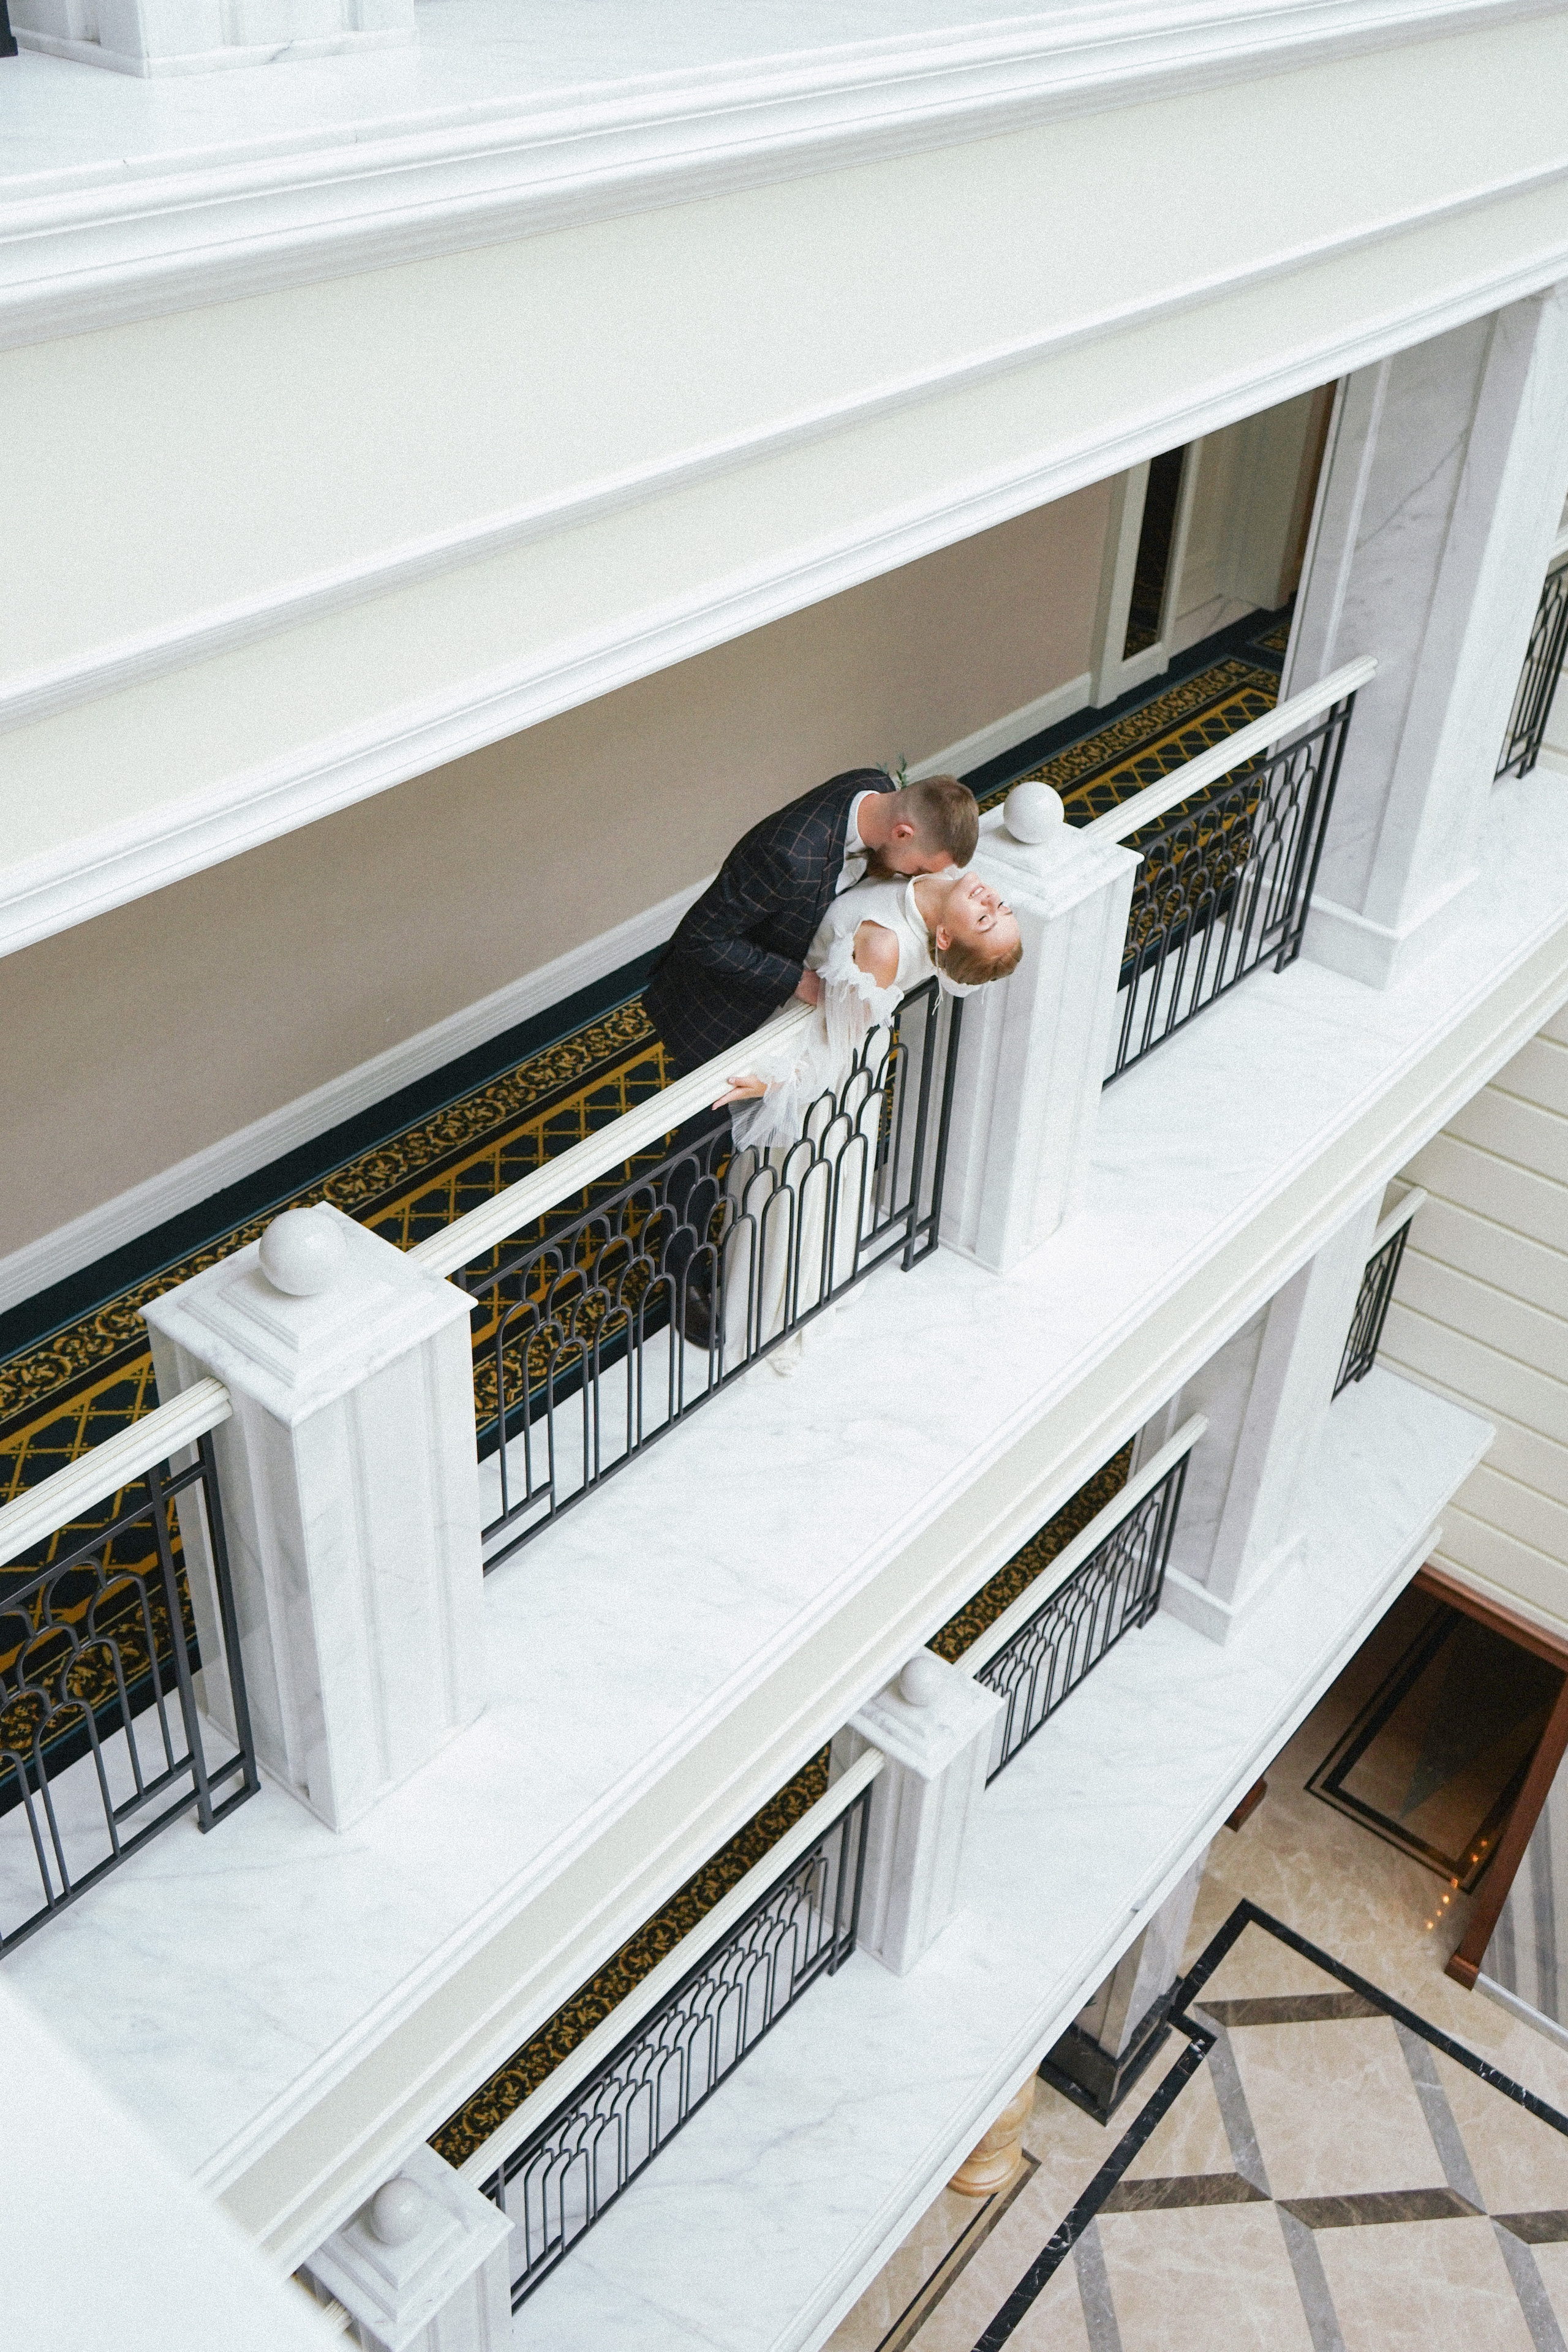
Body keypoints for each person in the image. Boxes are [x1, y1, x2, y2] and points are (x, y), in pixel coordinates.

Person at [708, 868, 1023, 1365]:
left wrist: (779, 1080)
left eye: (986, 919)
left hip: (830, 1063)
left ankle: (776, 1298)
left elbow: (835, 1041)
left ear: (944, 939)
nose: (991, 901)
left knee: (797, 1183)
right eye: (1000, 909)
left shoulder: (884, 944)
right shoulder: (942, 872)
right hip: (855, 1035)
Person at [641, 770, 979, 1079]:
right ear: (902, 833)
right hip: (716, 1009)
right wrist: (798, 981)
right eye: (920, 869)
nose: (915, 878)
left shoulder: (876, 787)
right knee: (709, 1114)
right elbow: (700, 937)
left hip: (767, 970)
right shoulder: (787, 857)